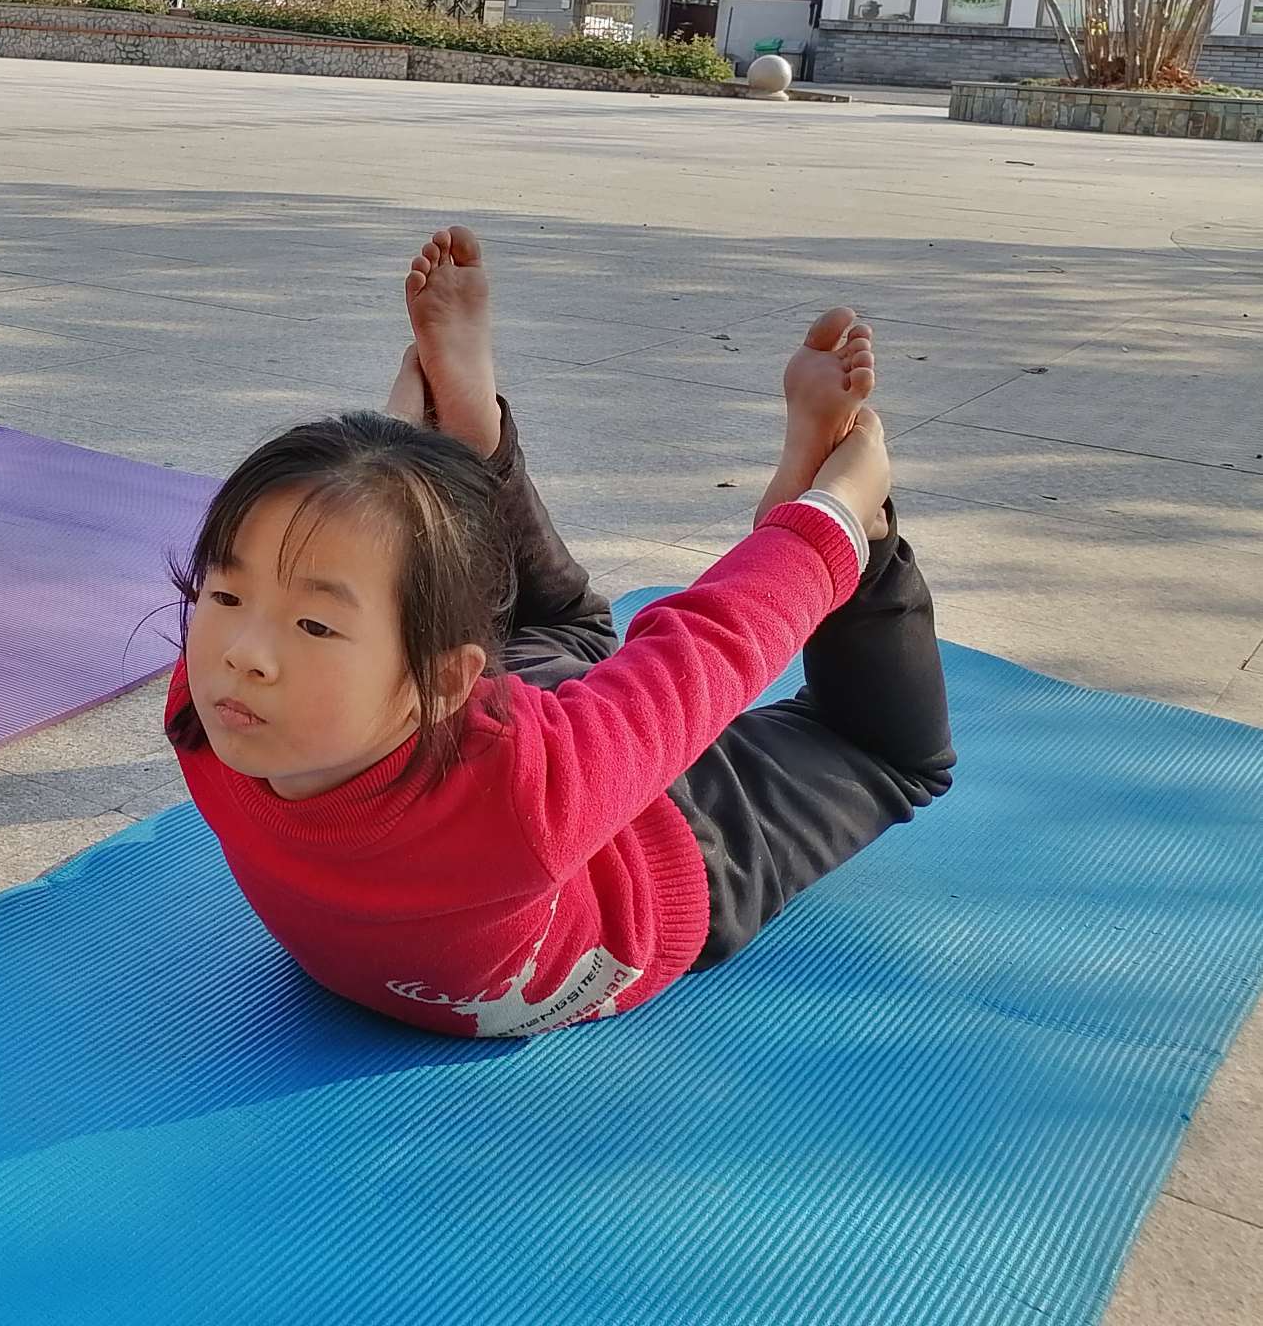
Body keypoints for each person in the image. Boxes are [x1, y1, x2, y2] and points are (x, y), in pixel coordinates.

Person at [165, 226, 950, 1038]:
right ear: (449, 683)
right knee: (876, 752)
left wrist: (831, 517)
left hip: (593, 801)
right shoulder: (518, 784)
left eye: (311, 624)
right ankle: (466, 458)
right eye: (222, 595)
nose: (242, 652)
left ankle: (462, 461)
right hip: (586, 809)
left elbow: (701, 650)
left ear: (444, 682)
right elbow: (701, 649)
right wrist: (836, 518)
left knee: (572, 634)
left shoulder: (215, 705)